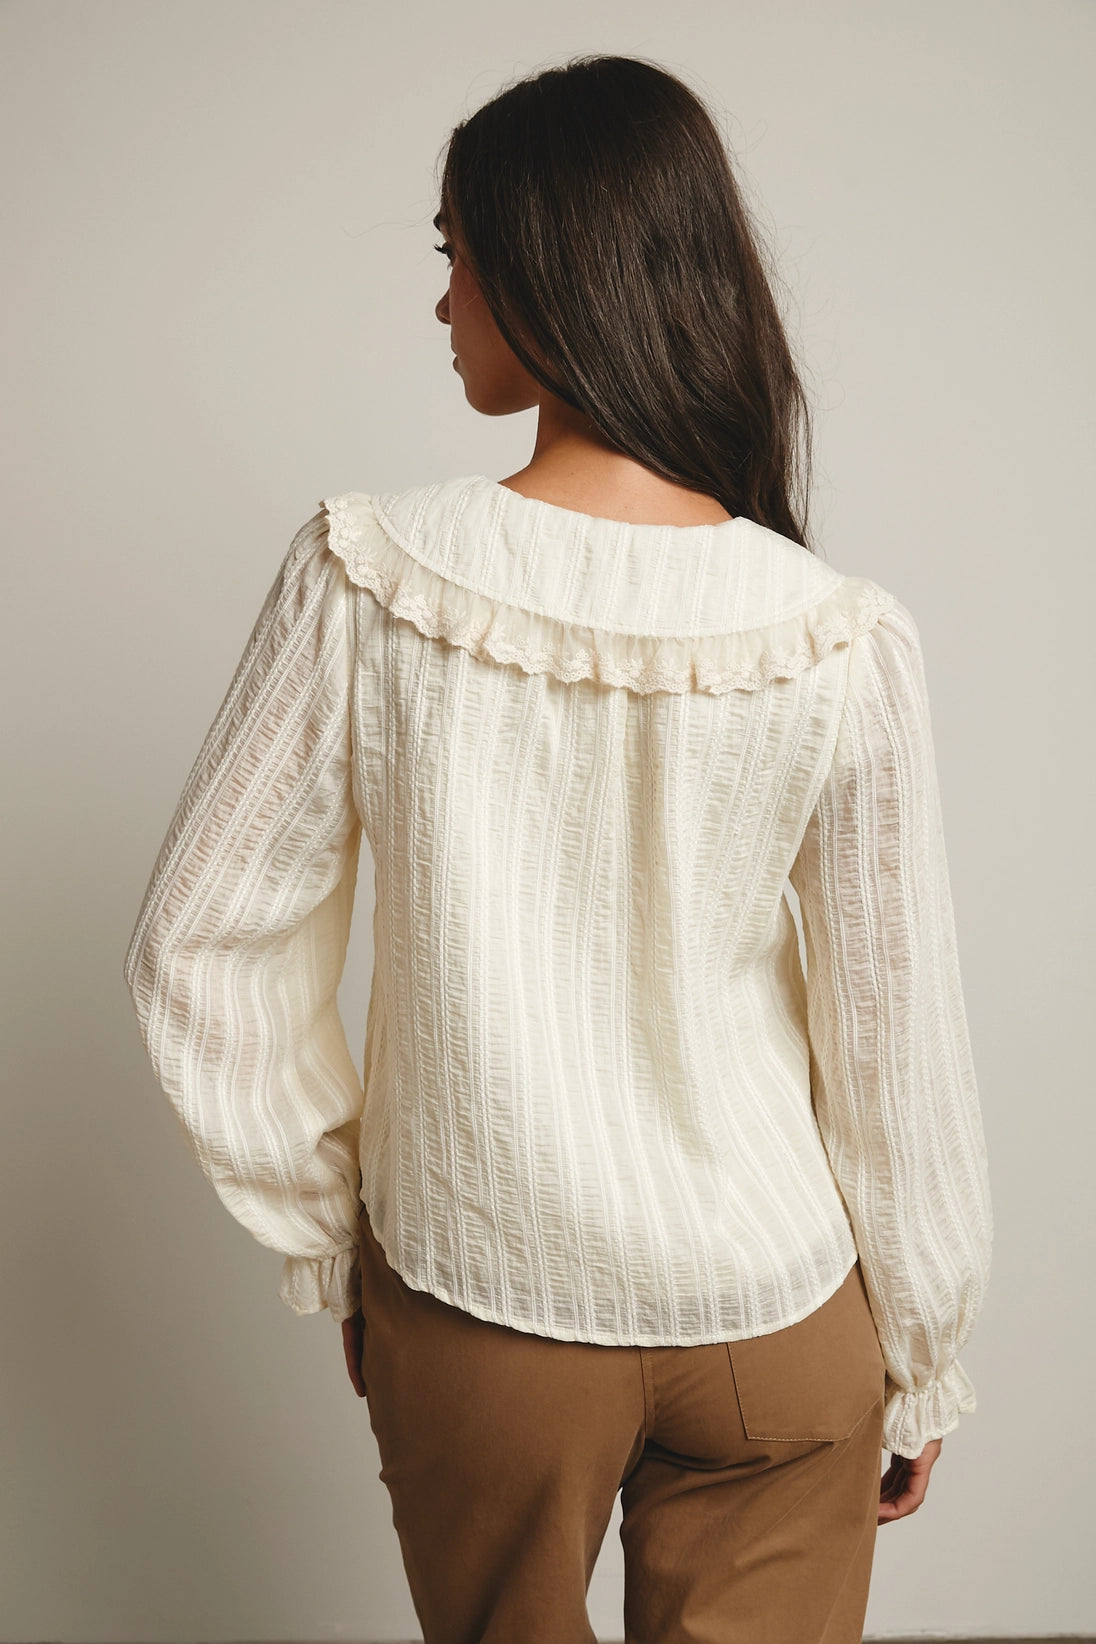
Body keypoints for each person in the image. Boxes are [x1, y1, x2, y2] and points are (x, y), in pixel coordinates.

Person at [123, 52, 992, 1644]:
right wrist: (924, 1348)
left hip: (486, 1311)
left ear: (547, 266)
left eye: (455, 255)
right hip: (781, 1325)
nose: (441, 300)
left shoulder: (369, 574)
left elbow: (196, 944)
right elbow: (899, 1040)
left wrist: (339, 1232)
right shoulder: (836, 632)